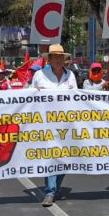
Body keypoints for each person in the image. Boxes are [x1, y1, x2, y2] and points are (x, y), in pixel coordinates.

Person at [30, 44, 78, 206]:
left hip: (66, 123)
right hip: (46, 123)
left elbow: (77, 97)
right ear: (48, 59)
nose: (58, 60)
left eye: (61, 57)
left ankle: (55, 187)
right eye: (55, 57)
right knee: (51, 157)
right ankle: (50, 191)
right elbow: (29, 97)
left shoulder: (70, 75)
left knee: (64, 157)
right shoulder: (39, 75)